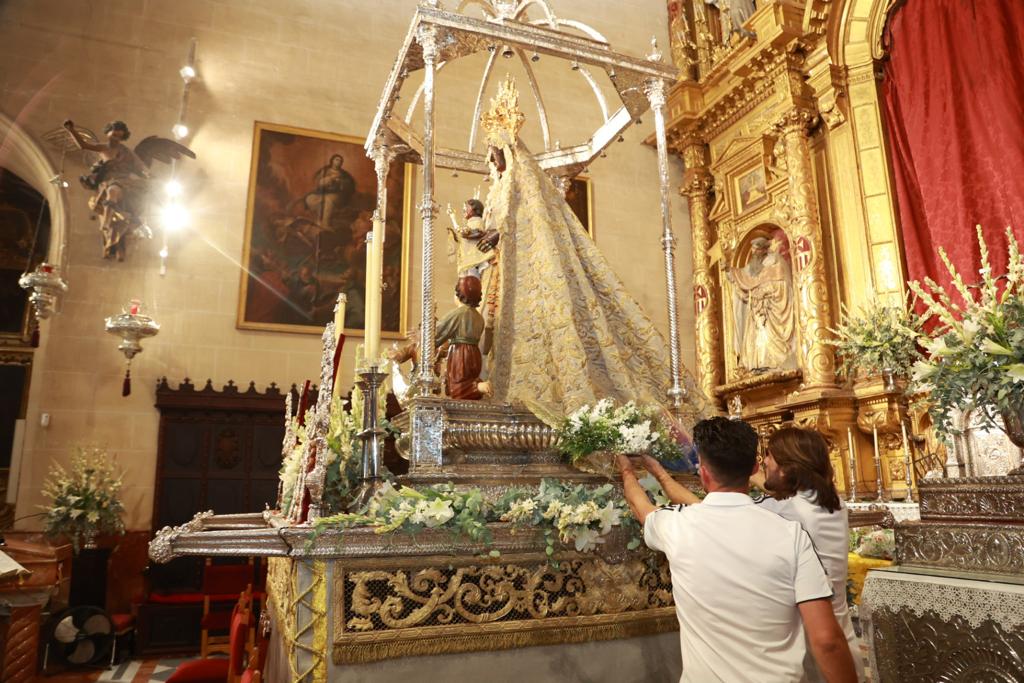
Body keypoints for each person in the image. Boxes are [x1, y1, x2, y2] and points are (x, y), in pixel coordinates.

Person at [476, 75, 705, 421]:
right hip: (500, 275)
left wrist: (499, 236)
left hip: (527, 271)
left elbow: (523, 224)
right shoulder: (498, 187)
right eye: (490, 154)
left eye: (496, 152)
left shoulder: (524, 186)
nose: (492, 160)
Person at [618, 417, 857, 683]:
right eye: (762, 459)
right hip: (824, 640)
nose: (765, 464)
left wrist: (629, 471)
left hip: (812, 649)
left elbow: (649, 509)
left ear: (704, 472)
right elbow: (828, 641)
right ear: (753, 466)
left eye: (771, 458)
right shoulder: (812, 514)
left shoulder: (681, 525)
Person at [752, 427, 865, 682]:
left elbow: (717, 512)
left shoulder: (785, 512)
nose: (764, 461)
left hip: (811, 642)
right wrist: (756, 476)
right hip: (841, 635)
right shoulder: (832, 501)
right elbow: (777, 492)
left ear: (789, 467)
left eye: (769, 455)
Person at [727, 235, 797, 373]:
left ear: (764, 249)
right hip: (756, 309)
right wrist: (729, 271)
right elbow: (743, 278)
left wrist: (767, 291)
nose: (753, 252)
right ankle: (757, 363)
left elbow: (783, 284)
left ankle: (774, 362)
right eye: (752, 249)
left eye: (756, 249)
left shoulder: (775, 261)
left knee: (769, 334)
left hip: (771, 307)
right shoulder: (753, 266)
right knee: (757, 335)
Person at [435, 276, 487, 400]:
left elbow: (437, 332)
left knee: (457, 387)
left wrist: (424, 338)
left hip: (460, 354)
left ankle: (479, 387)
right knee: (464, 384)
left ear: (458, 294)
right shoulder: (479, 317)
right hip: (474, 354)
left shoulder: (459, 313)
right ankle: (477, 386)